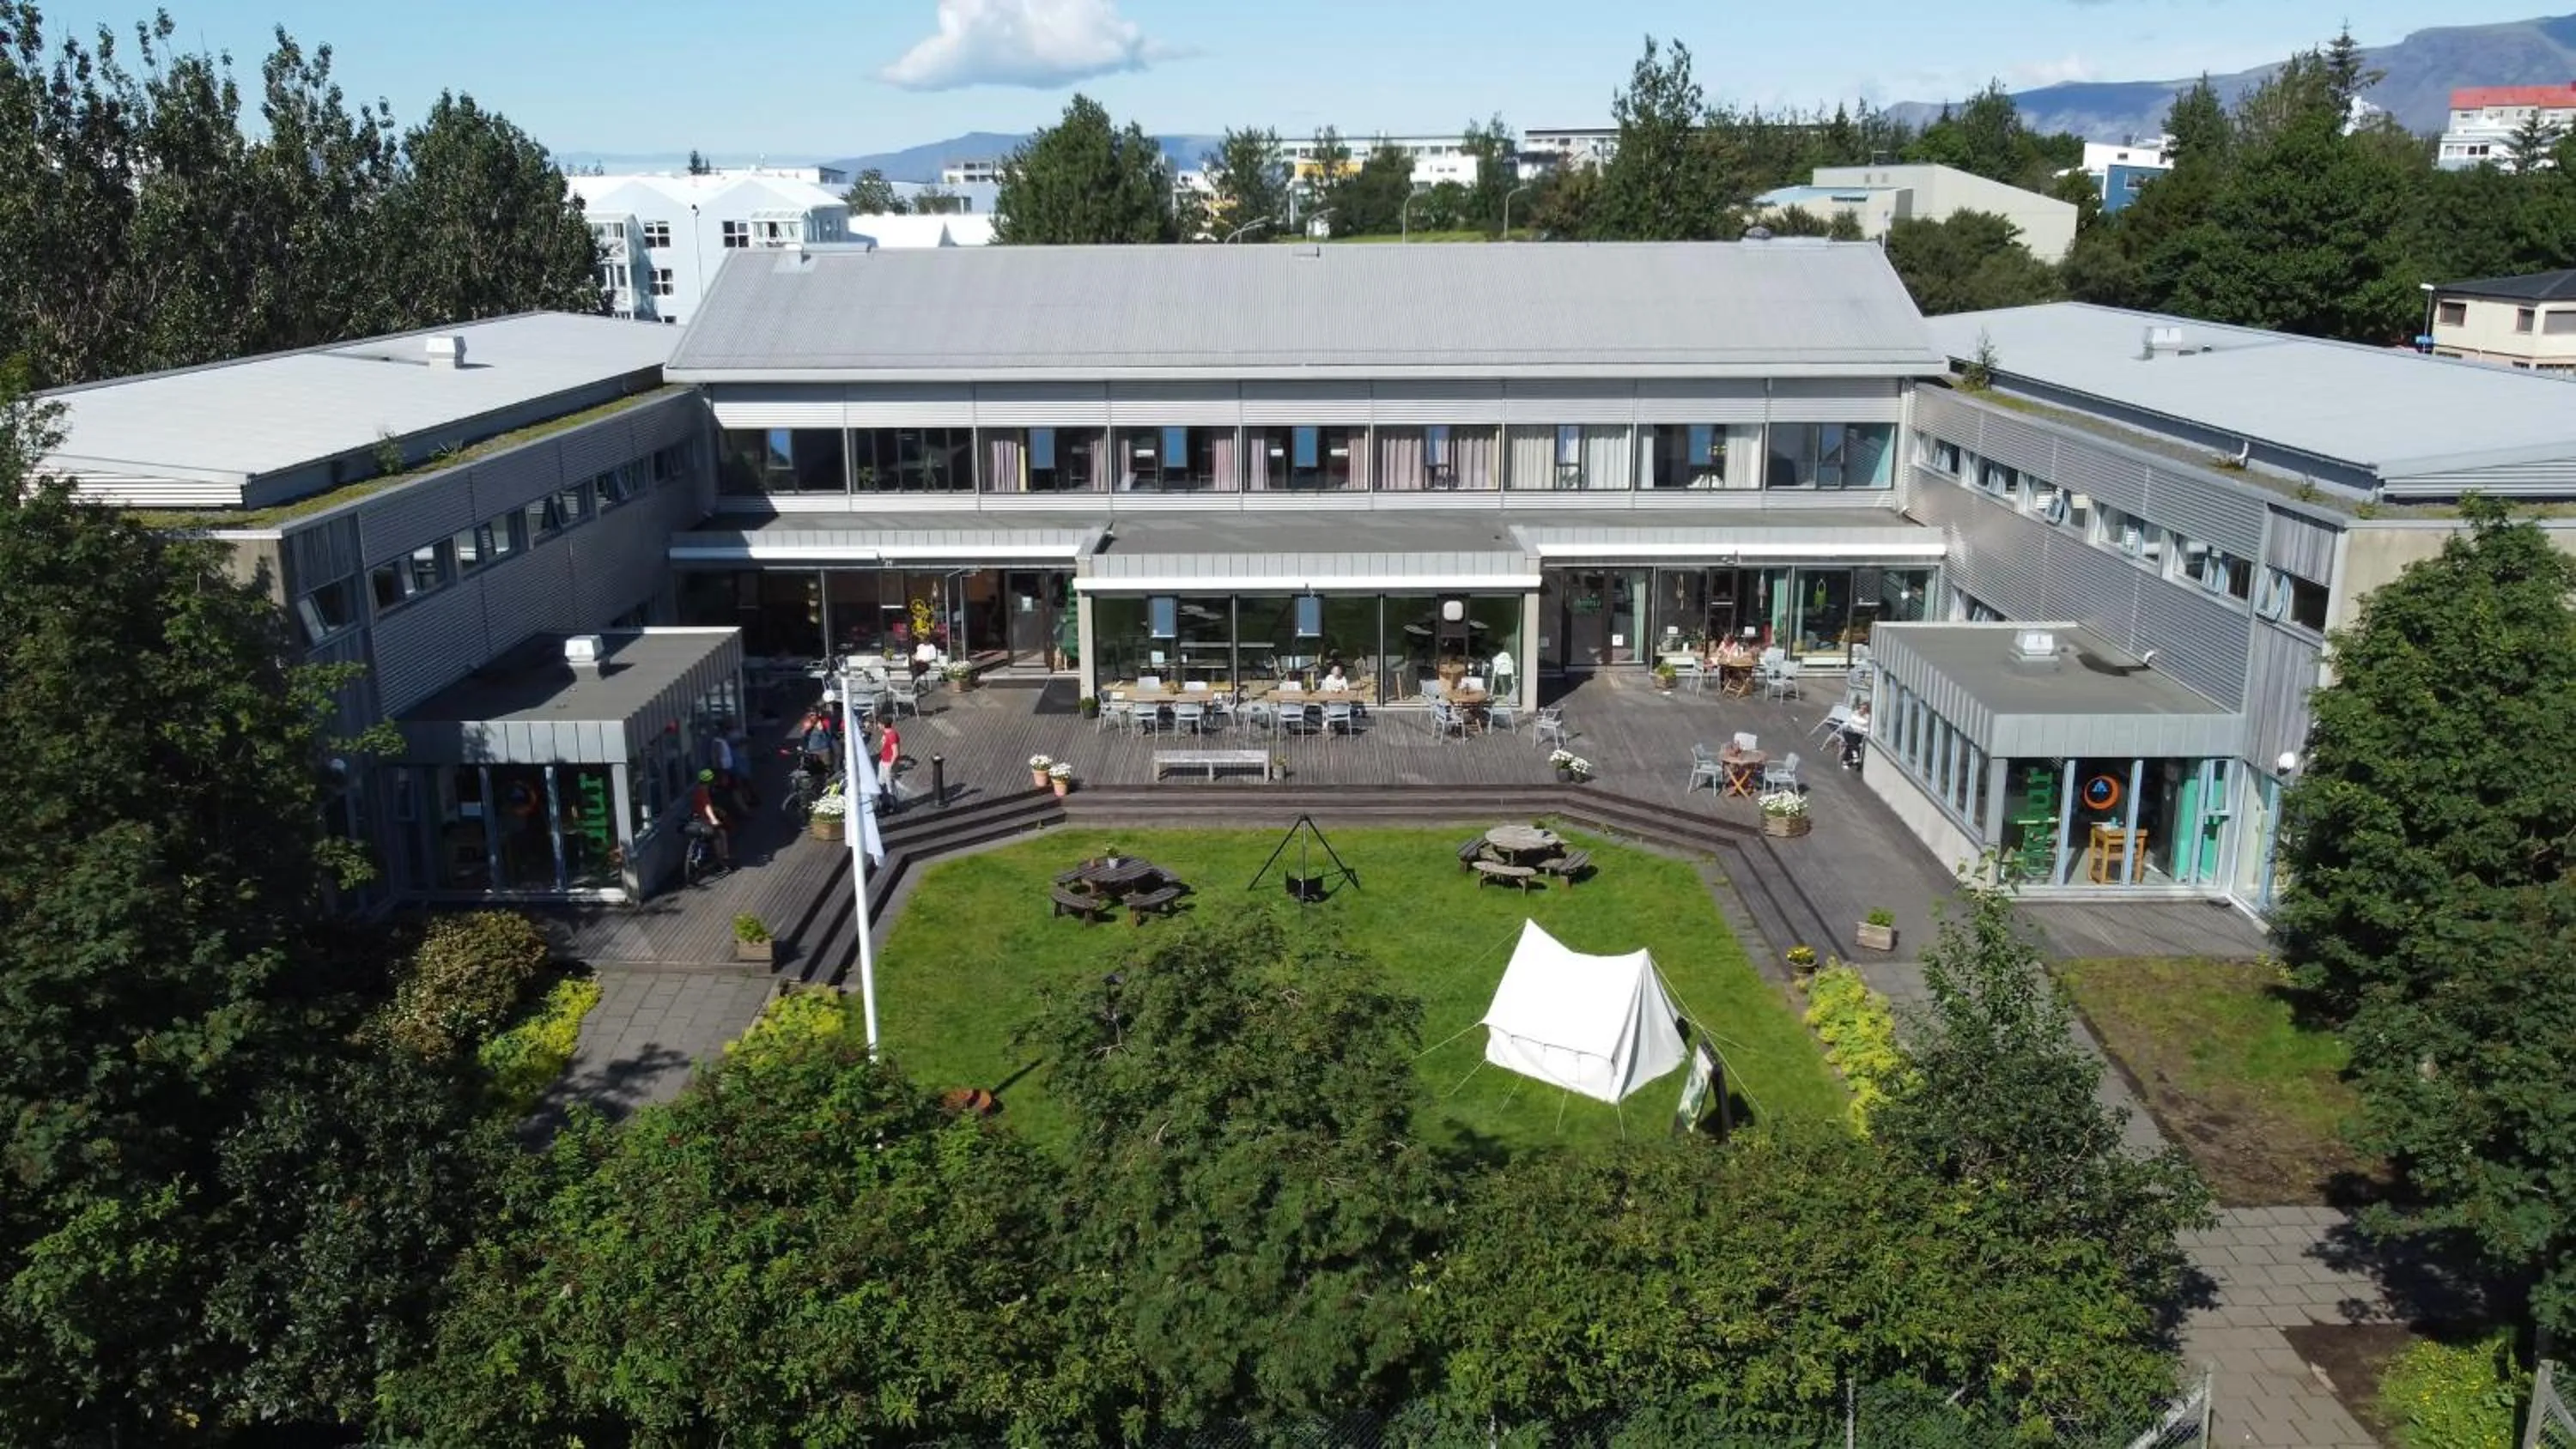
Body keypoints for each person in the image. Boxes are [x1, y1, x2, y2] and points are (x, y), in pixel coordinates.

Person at [689, 767, 732, 868]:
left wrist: (716, 810)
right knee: (720, 834)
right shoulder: (704, 792)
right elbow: (707, 807)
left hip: (696, 818)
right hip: (703, 820)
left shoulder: (698, 790)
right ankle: (723, 859)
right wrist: (714, 819)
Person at [876, 721, 902, 812]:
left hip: (888, 764)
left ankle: (894, 806)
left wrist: (890, 766)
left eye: (879, 724)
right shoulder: (885, 734)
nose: (877, 725)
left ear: (883, 724)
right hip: (883, 762)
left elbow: (896, 753)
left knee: (890, 786)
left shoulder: (892, 735)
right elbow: (883, 748)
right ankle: (883, 804)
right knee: (880, 783)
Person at [1841, 698, 1872, 768]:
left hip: (1859, 735)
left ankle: (1846, 761)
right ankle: (1855, 758)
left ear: (1867, 710)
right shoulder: (1854, 713)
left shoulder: (1868, 718)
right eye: (1861, 708)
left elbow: (1867, 729)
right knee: (1852, 740)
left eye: (1864, 709)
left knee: (1850, 744)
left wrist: (1860, 729)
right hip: (1848, 732)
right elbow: (1847, 723)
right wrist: (1849, 727)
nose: (1862, 710)